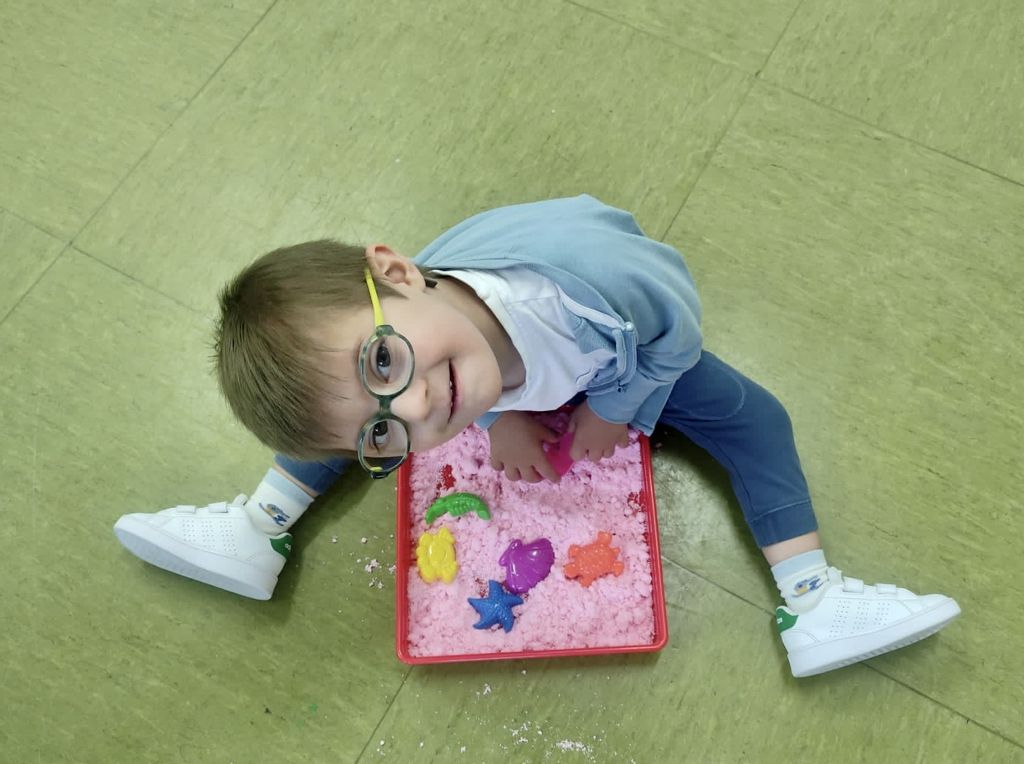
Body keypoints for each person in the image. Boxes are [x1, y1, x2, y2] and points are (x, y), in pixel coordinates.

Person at [113, 195, 960, 677]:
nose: (417, 408)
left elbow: (677, 332)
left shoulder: (602, 285)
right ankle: (256, 530)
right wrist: (500, 412)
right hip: (510, 364)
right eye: (387, 434)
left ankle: (812, 602)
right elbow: (405, 398)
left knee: (757, 420)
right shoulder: (427, 369)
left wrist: (614, 409)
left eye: (384, 360)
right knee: (329, 414)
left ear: (399, 273)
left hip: (621, 351)